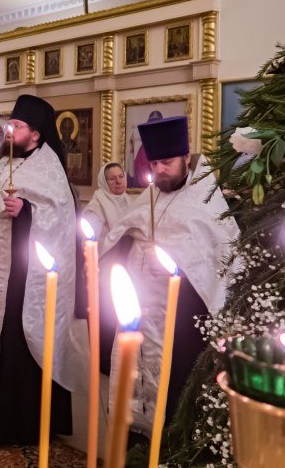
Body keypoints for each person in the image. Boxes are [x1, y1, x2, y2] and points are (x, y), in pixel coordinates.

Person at [100, 116, 240, 436]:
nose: (160, 170)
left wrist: (175, 266)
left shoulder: (205, 203)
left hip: (180, 320)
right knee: (135, 380)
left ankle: (166, 449)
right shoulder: (150, 196)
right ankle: (136, 447)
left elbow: (216, 265)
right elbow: (122, 233)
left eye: (167, 162)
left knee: (172, 391)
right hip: (140, 312)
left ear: (186, 158)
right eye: (154, 163)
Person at [0, 94, 81, 446]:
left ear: (36, 134)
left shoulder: (49, 170)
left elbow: (59, 220)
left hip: (23, 279)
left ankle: (15, 424)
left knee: (14, 341)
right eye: (9, 124)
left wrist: (26, 210)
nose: (9, 131)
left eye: (17, 126)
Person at [81, 162, 133, 247]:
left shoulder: (129, 200)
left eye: (121, 176)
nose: (118, 181)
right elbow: (90, 241)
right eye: (112, 179)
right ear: (104, 182)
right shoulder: (96, 207)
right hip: (107, 253)